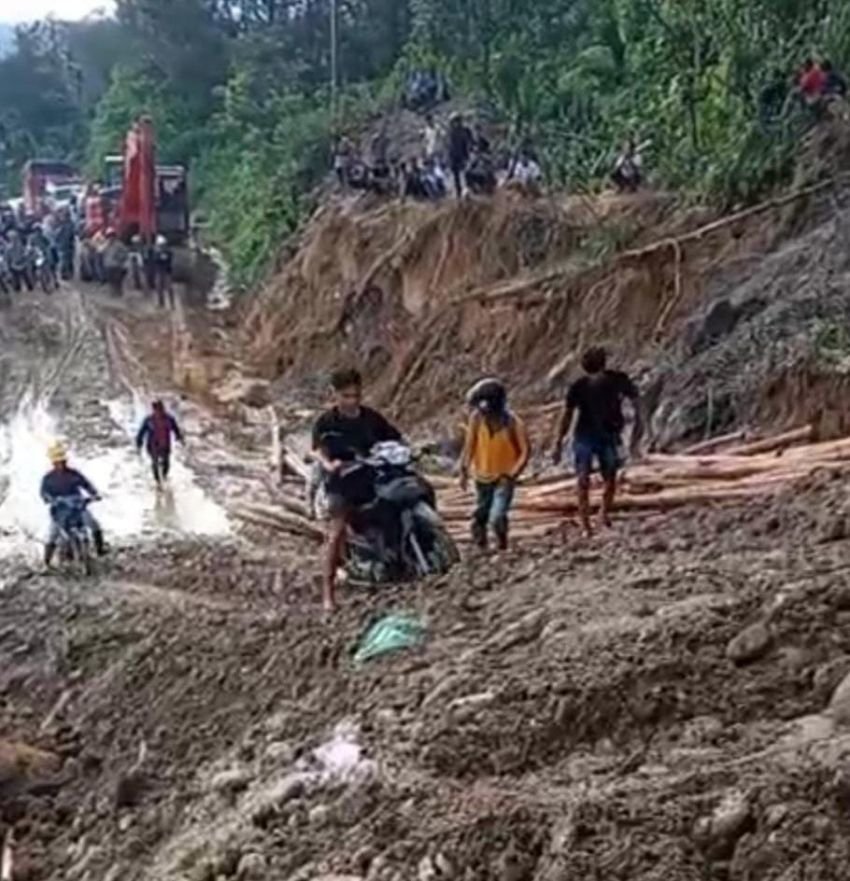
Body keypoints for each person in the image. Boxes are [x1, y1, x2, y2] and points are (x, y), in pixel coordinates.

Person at [311, 367, 402, 612]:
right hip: (341, 481)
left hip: (370, 477)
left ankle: (394, 563)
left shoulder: (371, 418)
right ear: (335, 395)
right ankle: (328, 593)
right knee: (337, 530)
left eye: (356, 395)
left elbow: (394, 438)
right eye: (346, 396)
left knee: (393, 507)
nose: (352, 401)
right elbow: (319, 450)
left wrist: (403, 450)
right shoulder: (326, 422)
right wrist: (330, 464)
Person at [551, 347, 644, 538]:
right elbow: (567, 414)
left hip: (604, 435)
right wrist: (558, 441)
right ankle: (588, 523)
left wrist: (558, 442)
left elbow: (566, 416)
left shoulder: (615, 380)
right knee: (591, 478)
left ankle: (599, 516)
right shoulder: (582, 386)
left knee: (603, 478)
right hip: (589, 435)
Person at [460, 378, 530, 551]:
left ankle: (501, 543)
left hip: (503, 478)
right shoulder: (476, 419)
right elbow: (469, 446)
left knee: (497, 516)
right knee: (481, 514)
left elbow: (525, 452)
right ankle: (481, 544)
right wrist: (463, 469)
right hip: (481, 477)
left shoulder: (514, 423)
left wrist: (512, 474)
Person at [41, 440, 106, 567]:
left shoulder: (74, 474)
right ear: (53, 463)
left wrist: (94, 494)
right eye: (58, 462)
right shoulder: (48, 479)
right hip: (60, 509)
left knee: (94, 524)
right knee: (52, 534)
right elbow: (44, 493)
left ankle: (100, 550)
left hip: (77, 506)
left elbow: (86, 484)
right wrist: (51, 500)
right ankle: (46, 562)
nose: (61, 464)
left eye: (63, 461)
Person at [135, 400, 184, 490]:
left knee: (166, 463)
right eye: (156, 410)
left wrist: (179, 438)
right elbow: (141, 432)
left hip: (165, 445)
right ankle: (158, 481)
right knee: (154, 463)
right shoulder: (149, 421)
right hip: (153, 445)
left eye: (160, 409)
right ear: (154, 410)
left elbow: (176, 429)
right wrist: (139, 443)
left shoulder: (169, 419)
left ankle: (164, 476)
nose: (159, 412)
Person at [447, 114, 474, 199]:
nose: (456, 123)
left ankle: (467, 192)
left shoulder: (465, 131)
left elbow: (470, 142)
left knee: (465, 174)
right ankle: (458, 194)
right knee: (456, 177)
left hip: (463, 156)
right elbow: (449, 146)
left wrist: (470, 152)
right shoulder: (451, 132)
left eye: (457, 121)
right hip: (454, 157)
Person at [102, 228, 128, 296]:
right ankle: (113, 293)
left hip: (117, 266)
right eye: (109, 236)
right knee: (111, 280)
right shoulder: (106, 244)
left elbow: (125, 253)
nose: (110, 238)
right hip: (108, 266)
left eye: (111, 236)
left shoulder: (119, 245)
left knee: (117, 280)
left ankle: (118, 292)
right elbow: (101, 251)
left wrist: (119, 258)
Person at [152, 235, 175, 308]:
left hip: (166, 272)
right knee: (159, 288)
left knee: (169, 288)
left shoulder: (168, 251)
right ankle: (161, 303)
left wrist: (161, 256)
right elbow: (155, 260)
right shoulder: (156, 252)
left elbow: (166, 259)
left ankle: (172, 304)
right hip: (159, 271)